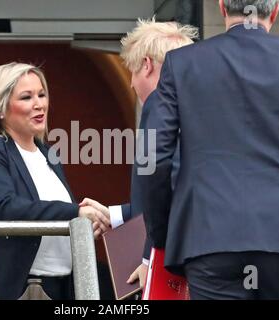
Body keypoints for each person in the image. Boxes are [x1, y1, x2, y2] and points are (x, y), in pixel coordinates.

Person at [138, 0, 279, 299]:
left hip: (210, 241)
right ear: (276, 9)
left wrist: (162, 234)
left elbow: (150, 156)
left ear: (223, 6)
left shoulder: (180, 64)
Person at [0, 62, 111, 300]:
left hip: (57, 287)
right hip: (9, 287)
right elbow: (3, 207)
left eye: (42, 94)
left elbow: (55, 215)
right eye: (26, 97)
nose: (39, 104)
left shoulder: (48, 154)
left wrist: (87, 223)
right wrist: (75, 213)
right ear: (1, 109)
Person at [81, 18, 198, 289]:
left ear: (146, 65)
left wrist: (149, 260)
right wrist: (114, 215)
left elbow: (160, 180)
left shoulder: (159, 104)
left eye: (132, 71)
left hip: (172, 259)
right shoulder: (206, 105)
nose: (132, 84)